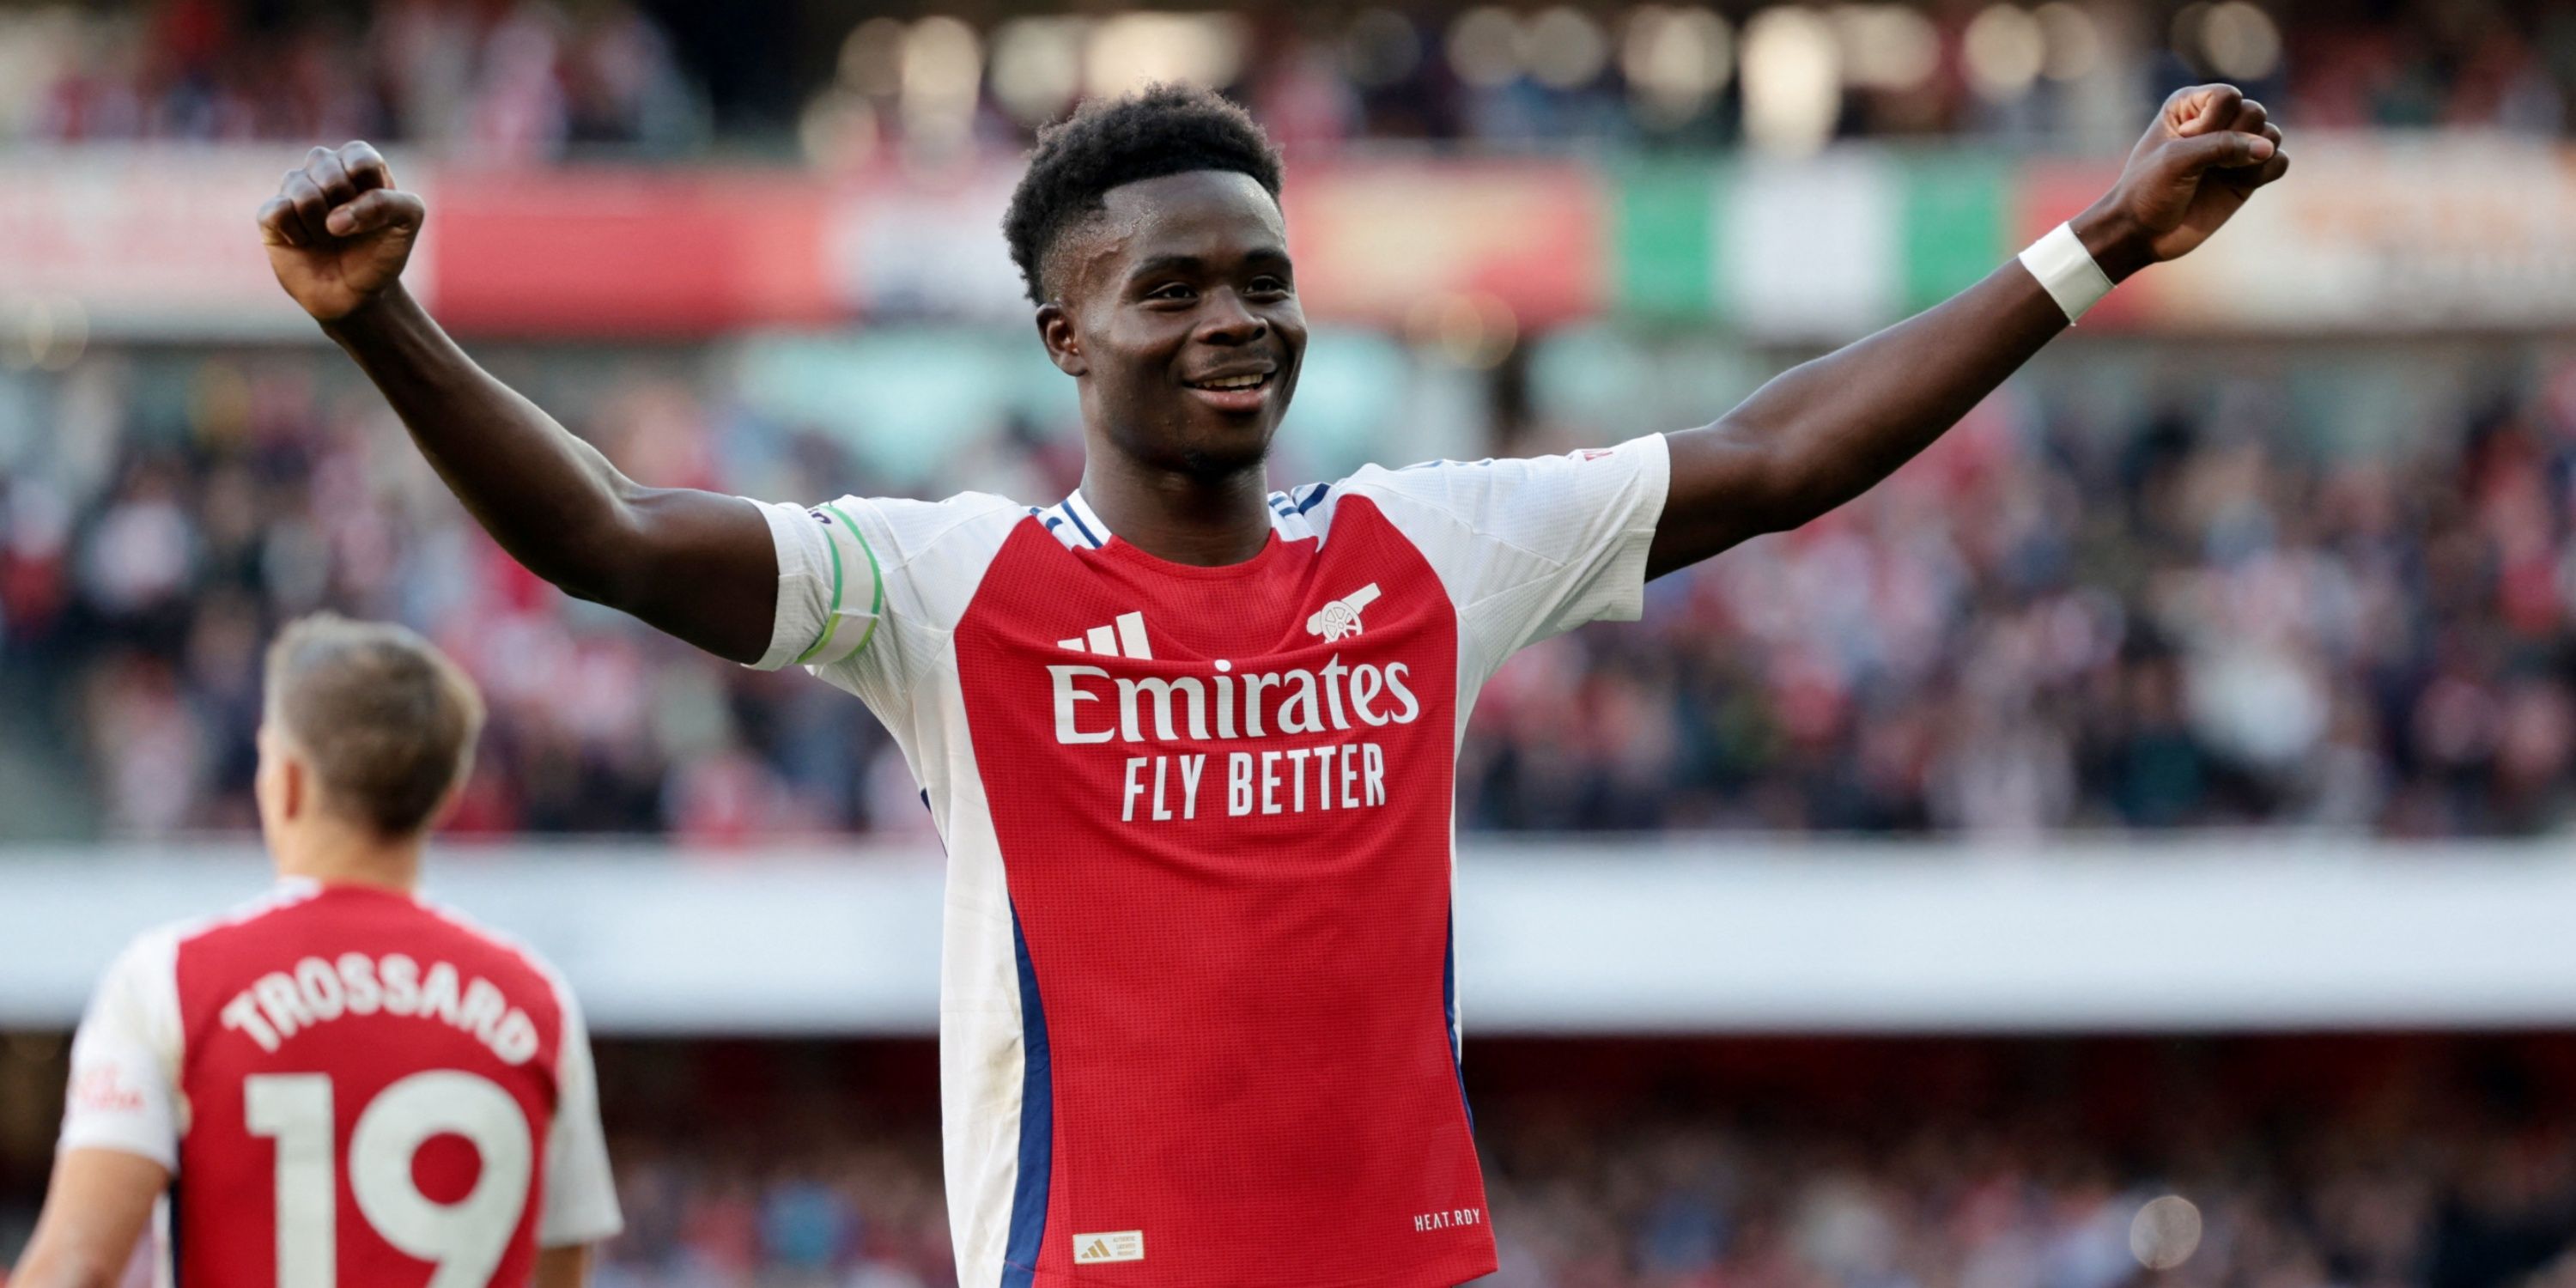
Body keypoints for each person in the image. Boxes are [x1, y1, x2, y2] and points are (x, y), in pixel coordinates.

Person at [251, 82, 2285, 1286]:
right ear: (1062, 331)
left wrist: (2095, 239)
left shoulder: (1429, 548)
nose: (1237, 318)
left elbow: (1771, 458)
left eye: (1262, 279)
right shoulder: (939, 590)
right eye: (1173, 288)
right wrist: (382, 328)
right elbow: (606, 528)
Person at [10, 615, 622, 1288]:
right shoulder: (538, 1002)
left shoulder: (170, 981)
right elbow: (559, 1271)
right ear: (445, 796)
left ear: (289, 780)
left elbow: (77, 1269)